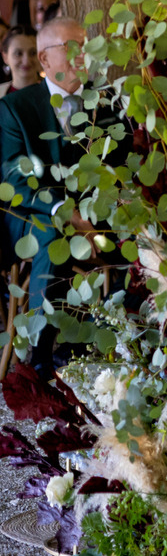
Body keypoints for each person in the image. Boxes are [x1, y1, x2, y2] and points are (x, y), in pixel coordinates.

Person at [0, 19, 96, 375]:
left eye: (86, 45)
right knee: (55, 234)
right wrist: (62, 209)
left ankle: (114, 342)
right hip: (31, 215)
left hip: (94, 213)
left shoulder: (103, 103)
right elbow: (15, 180)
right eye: (72, 47)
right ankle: (39, 356)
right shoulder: (15, 107)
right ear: (45, 58)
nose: (82, 54)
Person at [0, 25, 38, 97]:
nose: (26, 61)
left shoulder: (54, 92)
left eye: (33, 53)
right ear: (5, 57)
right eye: (18, 54)